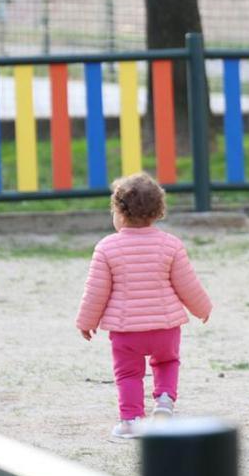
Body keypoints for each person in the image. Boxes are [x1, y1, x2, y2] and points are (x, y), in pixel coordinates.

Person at [74, 173, 213, 440]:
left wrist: (86, 322)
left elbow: (95, 292)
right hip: (165, 326)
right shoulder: (171, 245)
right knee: (168, 361)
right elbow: (188, 285)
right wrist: (202, 308)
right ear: (158, 212)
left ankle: (130, 421)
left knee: (128, 373)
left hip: (127, 332)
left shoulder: (106, 248)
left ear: (119, 212)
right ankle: (164, 402)